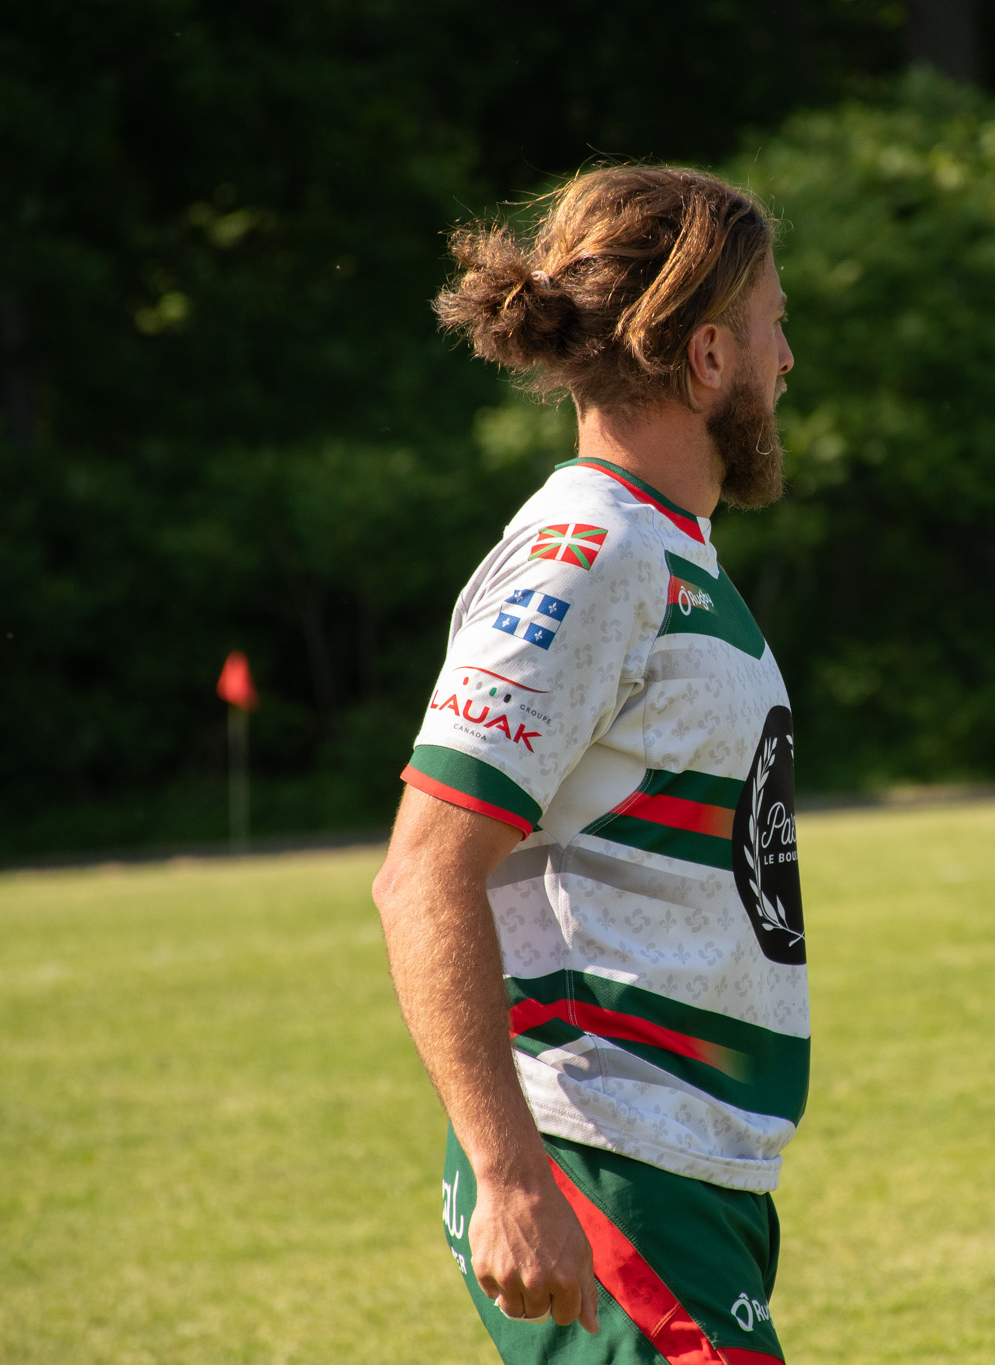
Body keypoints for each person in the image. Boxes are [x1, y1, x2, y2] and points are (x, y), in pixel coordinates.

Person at [371, 166, 805, 1364]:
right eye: (773, 328)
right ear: (708, 356)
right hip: (604, 1167)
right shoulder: (589, 555)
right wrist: (511, 1177)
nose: (786, 363)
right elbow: (422, 875)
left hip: (685, 1178)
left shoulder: (671, 553)